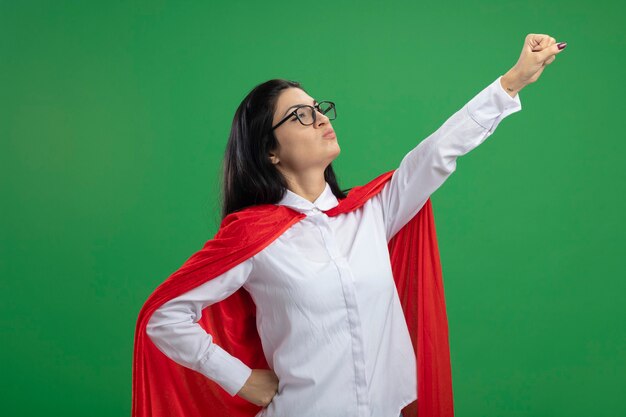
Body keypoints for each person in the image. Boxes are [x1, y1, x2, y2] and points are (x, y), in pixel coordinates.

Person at [133, 34, 567, 417]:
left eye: (319, 109)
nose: (322, 118)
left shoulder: (372, 213)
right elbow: (164, 317)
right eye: (300, 115)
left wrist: (512, 81)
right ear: (269, 151)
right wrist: (240, 378)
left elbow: (437, 153)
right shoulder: (255, 237)